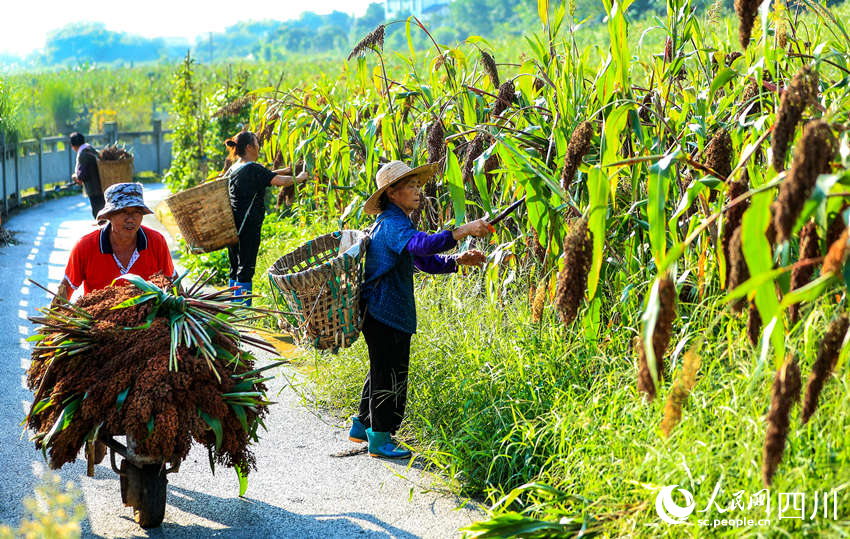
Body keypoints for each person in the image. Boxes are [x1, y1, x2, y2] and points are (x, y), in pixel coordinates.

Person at [349, 160, 494, 459]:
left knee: (381, 369)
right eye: (411, 186)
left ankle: (362, 426)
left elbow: (420, 258)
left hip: (383, 311)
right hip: (384, 311)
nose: (418, 191)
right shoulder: (391, 224)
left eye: (418, 185)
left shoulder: (394, 222)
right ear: (391, 193)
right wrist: (462, 230)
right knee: (389, 375)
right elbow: (423, 246)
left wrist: (456, 261)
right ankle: (379, 439)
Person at [223, 131, 309, 305]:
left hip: (233, 224)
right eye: (256, 142)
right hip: (248, 225)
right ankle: (242, 309)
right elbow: (279, 181)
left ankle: (233, 306)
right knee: (246, 266)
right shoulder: (252, 168)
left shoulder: (236, 167)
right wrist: (299, 178)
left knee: (235, 265)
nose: (259, 146)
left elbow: (263, 174)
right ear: (249, 147)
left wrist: (286, 170)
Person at [56, 182, 176, 301]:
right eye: (123, 212)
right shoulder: (85, 246)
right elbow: (65, 289)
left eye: (137, 212)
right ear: (109, 215)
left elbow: (173, 281)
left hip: (149, 317)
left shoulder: (156, 241)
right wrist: (55, 317)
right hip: (100, 318)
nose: (130, 219)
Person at [69, 132, 104, 219]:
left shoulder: (83, 155)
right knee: (103, 212)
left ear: (73, 145)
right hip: (102, 187)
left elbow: (82, 176)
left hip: (94, 189)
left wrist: (75, 177)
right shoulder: (91, 150)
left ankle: (103, 232)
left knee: (98, 214)